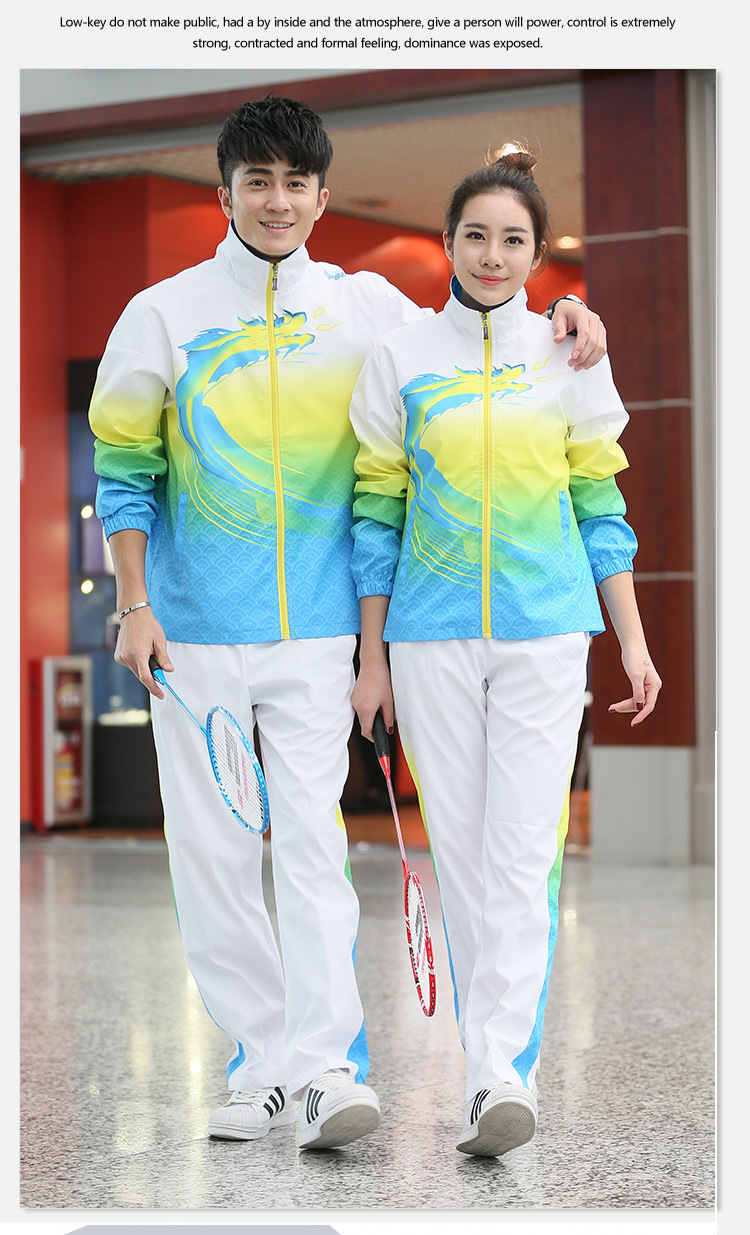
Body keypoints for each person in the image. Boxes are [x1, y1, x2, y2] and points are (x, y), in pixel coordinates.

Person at [88, 97, 609, 1152]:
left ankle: (326, 1067)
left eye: (296, 183)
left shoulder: (364, 306)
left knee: (312, 847)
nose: (277, 202)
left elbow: (470, 321)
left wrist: (566, 310)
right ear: (226, 191)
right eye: (258, 182)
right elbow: (125, 469)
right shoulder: (162, 315)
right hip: (192, 631)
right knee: (215, 854)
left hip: (324, 633)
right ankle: (262, 1065)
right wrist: (134, 605)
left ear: (323, 196)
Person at [349, 145, 662, 1158]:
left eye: (513, 240)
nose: (493, 255)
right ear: (447, 242)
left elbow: (600, 507)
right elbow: (376, 513)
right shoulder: (402, 357)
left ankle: (497, 1076)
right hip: (429, 636)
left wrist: (633, 640)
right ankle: (488, 1064)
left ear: (537, 253)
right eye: (476, 236)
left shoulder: (569, 353)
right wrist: (371, 658)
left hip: (546, 631)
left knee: (524, 856)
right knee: (465, 855)